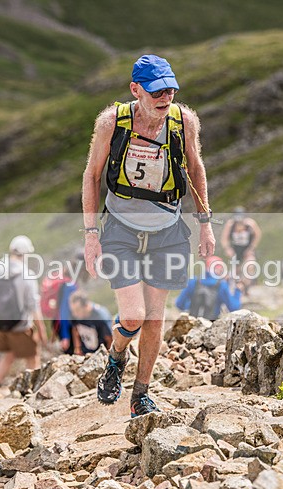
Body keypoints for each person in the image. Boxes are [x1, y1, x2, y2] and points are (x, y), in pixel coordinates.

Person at [81, 54, 215, 418]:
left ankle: (140, 394)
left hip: (167, 231)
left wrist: (205, 223)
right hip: (120, 229)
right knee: (134, 316)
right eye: (157, 91)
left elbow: (195, 168)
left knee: (156, 318)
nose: (165, 97)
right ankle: (117, 355)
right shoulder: (112, 122)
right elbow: (92, 175)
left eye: (171, 90)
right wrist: (91, 235)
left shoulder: (184, 121)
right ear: (135, 90)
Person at [0, 235, 48, 393]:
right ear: (27, 254)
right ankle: (33, 389)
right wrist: (42, 330)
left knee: (9, 353)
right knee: (32, 356)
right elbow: (33, 306)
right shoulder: (27, 275)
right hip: (20, 325)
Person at [176, 256, 242, 321]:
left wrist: (191, 306)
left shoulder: (193, 281)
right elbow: (233, 307)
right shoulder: (222, 285)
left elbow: (179, 304)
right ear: (219, 269)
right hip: (211, 324)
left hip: (192, 323)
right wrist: (238, 291)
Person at [220, 206, 261, 293]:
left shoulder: (250, 224)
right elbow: (224, 238)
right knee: (235, 271)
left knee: (250, 265)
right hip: (236, 250)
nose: (239, 221)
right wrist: (227, 249)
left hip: (247, 250)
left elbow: (258, 234)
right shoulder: (230, 224)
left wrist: (252, 248)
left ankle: (246, 287)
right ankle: (237, 289)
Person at [68, 290, 113, 355]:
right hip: (86, 353)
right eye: (73, 311)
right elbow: (75, 329)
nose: (74, 314)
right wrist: (77, 348)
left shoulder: (100, 316)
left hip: (101, 353)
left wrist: (109, 356)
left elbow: (109, 338)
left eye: (77, 310)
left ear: (86, 306)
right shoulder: (75, 315)